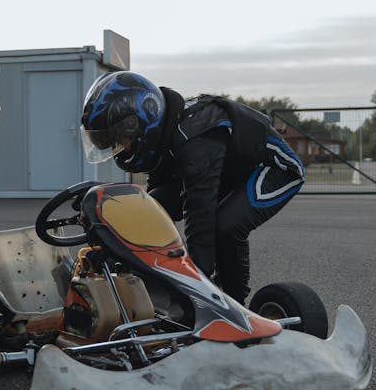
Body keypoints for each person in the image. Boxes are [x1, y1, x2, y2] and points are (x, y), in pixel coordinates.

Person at [79, 71, 304, 305]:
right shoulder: (164, 132)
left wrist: (198, 288)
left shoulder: (195, 137)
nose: (120, 148)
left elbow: (200, 215)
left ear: (141, 122)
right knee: (151, 207)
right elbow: (153, 205)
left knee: (225, 226)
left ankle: (234, 305)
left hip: (273, 168)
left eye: (120, 139)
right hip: (227, 171)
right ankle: (145, 281)